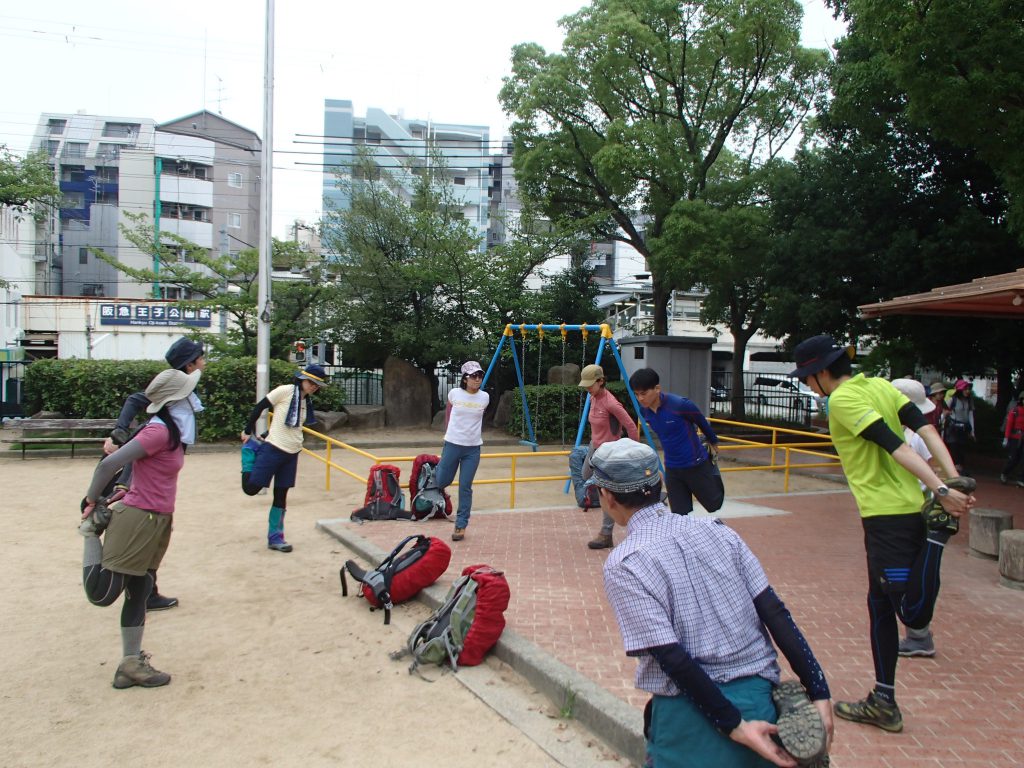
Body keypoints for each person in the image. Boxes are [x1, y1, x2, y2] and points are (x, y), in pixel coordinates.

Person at [597, 439, 833, 768]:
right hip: (763, 703)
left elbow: (672, 658)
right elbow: (775, 613)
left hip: (691, 715)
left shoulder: (625, 563)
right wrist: (819, 689)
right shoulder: (718, 530)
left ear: (607, 497)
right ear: (659, 484)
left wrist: (734, 725)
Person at [790, 335, 975, 732]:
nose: (809, 387)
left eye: (808, 378)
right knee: (878, 606)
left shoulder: (842, 400)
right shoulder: (880, 386)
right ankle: (883, 699)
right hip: (897, 510)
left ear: (822, 372)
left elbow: (897, 447)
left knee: (909, 610)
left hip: (888, 517)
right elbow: (926, 430)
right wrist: (953, 477)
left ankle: (938, 537)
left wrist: (943, 493)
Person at [78, 368, 201, 689]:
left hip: (157, 518)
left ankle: (130, 664)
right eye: (188, 393)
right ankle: (91, 534)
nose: (194, 399)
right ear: (176, 400)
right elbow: (109, 464)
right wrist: (92, 502)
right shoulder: (157, 432)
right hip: (138, 518)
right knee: (103, 593)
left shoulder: (173, 432)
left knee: (141, 588)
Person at [101, 336, 206, 611]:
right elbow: (136, 400)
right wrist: (119, 432)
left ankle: (147, 592)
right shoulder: (171, 387)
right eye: (200, 358)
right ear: (190, 364)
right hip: (152, 455)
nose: (204, 363)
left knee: (156, 521)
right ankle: (130, 588)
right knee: (145, 515)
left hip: (165, 461)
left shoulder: (183, 388)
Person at [240, 364, 328, 553]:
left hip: (292, 452)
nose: (313, 386)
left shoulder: (306, 401)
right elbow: (260, 407)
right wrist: (248, 431)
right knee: (251, 488)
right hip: (273, 449)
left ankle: (276, 537)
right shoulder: (286, 391)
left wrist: (266, 431)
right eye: (310, 382)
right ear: (301, 379)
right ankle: (249, 453)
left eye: (316, 384)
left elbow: (288, 424)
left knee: (281, 496)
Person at [890, 378, 942, 658]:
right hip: (899, 507)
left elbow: (931, 469)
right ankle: (917, 633)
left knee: (911, 572)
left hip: (915, 508)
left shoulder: (917, 436)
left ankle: (919, 634)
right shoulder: (899, 432)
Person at [627, 367, 724, 515]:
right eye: (637, 394)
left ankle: (711, 467)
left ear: (657, 389)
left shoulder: (680, 405)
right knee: (679, 513)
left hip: (695, 463)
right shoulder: (644, 411)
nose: (640, 398)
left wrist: (713, 441)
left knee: (714, 505)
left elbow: (701, 421)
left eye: (644, 393)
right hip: (672, 467)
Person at [577, 363, 639, 550]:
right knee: (586, 475)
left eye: (590, 384)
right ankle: (615, 497)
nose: (587, 388)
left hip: (609, 453)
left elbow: (631, 426)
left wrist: (631, 450)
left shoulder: (611, 403)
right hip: (594, 447)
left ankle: (606, 533)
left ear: (601, 381)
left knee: (605, 490)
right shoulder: (593, 397)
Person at [435, 361, 489, 542]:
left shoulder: (485, 397)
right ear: (465, 378)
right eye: (474, 376)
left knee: (465, 487)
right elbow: (449, 415)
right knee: (442, 481)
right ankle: (435, 469)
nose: (477, 379)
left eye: (480, 376)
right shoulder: (454, 394)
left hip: (472, 448)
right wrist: (448, 434)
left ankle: (461, 524)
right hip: (452, 444)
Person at [943, 379, 975, 475]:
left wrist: (973, 431)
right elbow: (945, 412)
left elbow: (970, 415)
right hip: (953, 428)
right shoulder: (953, 400)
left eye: (969, 389)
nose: (967, 391)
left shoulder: (969, 401)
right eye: (965, 389)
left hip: (964, 428)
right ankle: (953, 470)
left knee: (962, 450)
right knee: (954, 448)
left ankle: (959, 469)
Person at [1001, 391, 1024, 487]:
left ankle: (1021, 479)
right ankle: (1005, 473)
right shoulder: (1015, 411)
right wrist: (1006, 438)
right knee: (1013, 458)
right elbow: (1009, 425)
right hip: (1015, 438)